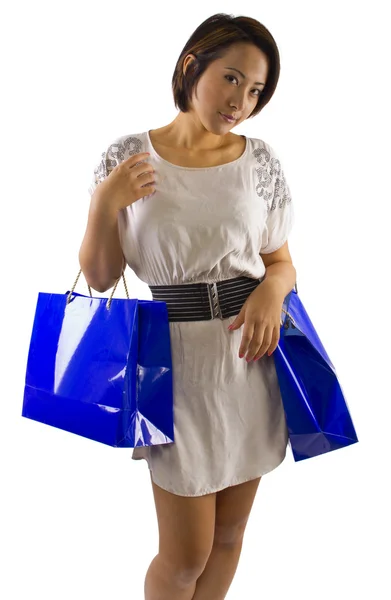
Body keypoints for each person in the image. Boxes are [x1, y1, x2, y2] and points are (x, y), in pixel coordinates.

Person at [79, 12, 297, 600]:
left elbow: (280, 263)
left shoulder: (261, 163)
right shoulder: (130, 156)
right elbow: (99, 279)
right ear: (190, 67)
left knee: (227, 539)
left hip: (251, 360)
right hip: (172, 366)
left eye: (255, 90)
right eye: (231, 79)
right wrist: (104, 204)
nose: (241, 101)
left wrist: (272, 294)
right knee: (184, 557)